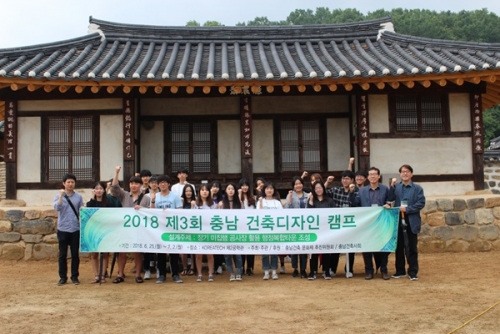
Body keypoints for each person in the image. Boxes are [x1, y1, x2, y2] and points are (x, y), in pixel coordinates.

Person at [350, 167, 394, 280]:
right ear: (368, 177)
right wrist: (351, 193)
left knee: (383, 247)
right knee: (367, 247)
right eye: (370, 174)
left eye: (375, 174)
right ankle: (369, 271)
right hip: (367, 224)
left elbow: (390, 200)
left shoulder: (385, 189)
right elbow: (355, 204)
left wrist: (388, 204)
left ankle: (384, 270)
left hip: (382, 223)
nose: (373, 176)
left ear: (379, 176)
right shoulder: (362, 190)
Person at [110, 166, 146, 284]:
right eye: (131, 183)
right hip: (124, 227)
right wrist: (116, 172)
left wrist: (142, 208)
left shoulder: (146, 198)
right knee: (122, 251)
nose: (133, 185)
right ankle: (120, 274)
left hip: (139, 228)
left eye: (136, 183)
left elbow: (151, 212)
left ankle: (138, 274)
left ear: (140, 185)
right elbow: (114, 188)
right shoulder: (124, 195)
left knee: (137, 251)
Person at [392, 164, 426, 281]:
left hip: (411, 219)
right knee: (399, 246)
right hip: (398, 219)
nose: (405, 174)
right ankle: (400, 270)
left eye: (407, 172)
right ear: (400, 174)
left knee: (411, 246)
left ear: (411, 174)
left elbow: (421, 203)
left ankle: (412, 271)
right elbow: (391, 198)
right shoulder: (396, 187)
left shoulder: (417, 188)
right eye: (402, 172)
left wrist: (407, 209)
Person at [150, 175, 184, 284]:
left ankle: (175, 274)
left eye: (165, 182)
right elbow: (151, 211)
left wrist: (169, 212)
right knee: (161, 252)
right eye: (160, 183)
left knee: (174, 251)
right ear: (158, 185)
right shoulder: (156, 196)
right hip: (159, 228)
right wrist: (153, 201)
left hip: (172, 226)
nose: (162, 184)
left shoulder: (175, 197)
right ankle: (162, 275)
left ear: (169, 184)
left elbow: (180, 210)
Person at [326, 170, 357, 278]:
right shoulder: (336, 190)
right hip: (337, 223)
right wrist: (327, 182)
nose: (345, 180)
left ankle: (349, 269)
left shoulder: (356, 191)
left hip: (351, 223)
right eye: (343, 178)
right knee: (336, 247)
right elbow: (321, 192)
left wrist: (352, 192)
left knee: (350, 247)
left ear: (352, 180)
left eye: (347, 178)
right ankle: (332, 269)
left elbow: (357, 203)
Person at [86, 181, 120, 283]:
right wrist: (92, 198)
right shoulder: (90, 202)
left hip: (106, 231)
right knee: (94, 254)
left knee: (105, 253)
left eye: (100, 189)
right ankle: (96, 275)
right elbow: (88, 212)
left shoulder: (109, 203)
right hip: (94, 231)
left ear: (104, 190)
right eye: (96, 189)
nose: (98, 191)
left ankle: (102, 275)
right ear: (94, 190)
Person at [54, 173, 84, 286]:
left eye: (72, 182)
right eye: (68, 182)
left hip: (75, 228)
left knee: (75, 254)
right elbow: (57, 207)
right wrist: (61, 196)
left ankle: (74, 276)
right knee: (62, 254)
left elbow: (81, 210)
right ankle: (62, 277)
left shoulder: (78, 197)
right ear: (64, 183)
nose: (70, 184)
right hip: (62, 228)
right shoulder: (58, 196)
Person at [306, 181, 335, 280]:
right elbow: (308, 215)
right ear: (314, 190)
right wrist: (310, 201)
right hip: (315, 230)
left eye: (320, 188)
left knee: (326, 250)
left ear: (323, 188)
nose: (318, 190)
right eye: (316, 188)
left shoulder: (330, 201)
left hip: (326, 229)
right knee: (314, 251)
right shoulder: (312, 200)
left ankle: (326, 271)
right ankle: (312, 271)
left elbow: (334, 214)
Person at [285, 176, 309, 278]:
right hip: (294, 225)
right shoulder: (290, 195)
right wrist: (290, 198)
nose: (298, 185)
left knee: (304, 248)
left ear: (303, 185)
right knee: (294, 248)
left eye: (300, 183)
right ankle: (295, 268)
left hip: (305, 225)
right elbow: (287, 208)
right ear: (293, 186)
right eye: (296, 184)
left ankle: (303, 269)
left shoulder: (308, 195)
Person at [258, 182, 283, 280]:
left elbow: (281, 216)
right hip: (264, 230)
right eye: (267, 188)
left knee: (274, 251)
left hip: (275, 230)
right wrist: (260, 202)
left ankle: (274, 271)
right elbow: (257, 215)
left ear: (274, 190)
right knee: (265, 252)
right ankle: (266, 271)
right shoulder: (261, 201)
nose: (269, 190)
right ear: (264, 190)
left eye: (271, 188)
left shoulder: (277, 202)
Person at [192, 184, 217, 282]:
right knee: (199, 254)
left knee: (209, 254)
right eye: (202, 190)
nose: (204, 192)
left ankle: (210, 273)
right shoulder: (196, 205)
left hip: (209, 232)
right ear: (199, 192)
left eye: (206, 190)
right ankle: (200, 274)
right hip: (198, 232)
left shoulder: (213, 205)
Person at [221, 183, 244, 281]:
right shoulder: (221, 203)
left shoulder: (239, 203)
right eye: (229, 188)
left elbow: (244, 216)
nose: (230, 190)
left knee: (237, 254)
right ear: (225, 191)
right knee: (227, 254)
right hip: (225, 232)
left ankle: (239, 272)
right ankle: (231, 273)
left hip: (237, 232)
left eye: (232, 189)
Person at [138, 175, 159, 280]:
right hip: (148, 226)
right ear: (149, 184)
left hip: (160, 226)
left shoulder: (162, 195)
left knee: (160, 248)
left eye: (156, 182)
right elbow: (141, 208)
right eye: (152, 182)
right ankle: (147, 270)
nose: (154, 184)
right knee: (147, 248)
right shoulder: (145, 196)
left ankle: (159, 269)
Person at [238, 178, 256, 275]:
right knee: (241, 248)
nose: (244, 187)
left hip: (251, 226)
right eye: (242, 185)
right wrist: (238, 195)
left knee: (250, 248)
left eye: (246, 185)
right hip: (240, 226)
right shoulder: (238, 198)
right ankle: (241, 267)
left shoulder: (252, 198)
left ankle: (249, 267)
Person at [180, 183, 197, 276]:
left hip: (193, 228)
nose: (188, 193)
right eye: (186, 191)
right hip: (183, 228)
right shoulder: (181, 201)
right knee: (183, 249)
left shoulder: (196, 201)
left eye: (190, 191)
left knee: (192, 249)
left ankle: (193, 267)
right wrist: (181, 203)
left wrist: (192, 206)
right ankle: (185, 267)